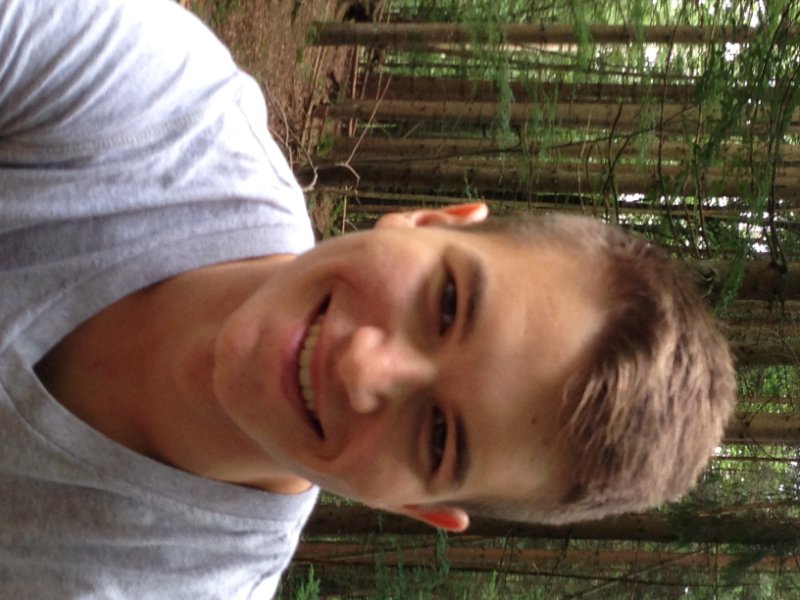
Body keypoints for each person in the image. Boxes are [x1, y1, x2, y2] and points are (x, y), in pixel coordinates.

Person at [0, 0, 736, 598]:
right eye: (447, 304)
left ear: (413, 507)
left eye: (438, 438)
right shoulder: (157, 103)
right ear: (429, 221)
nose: (362, 367)